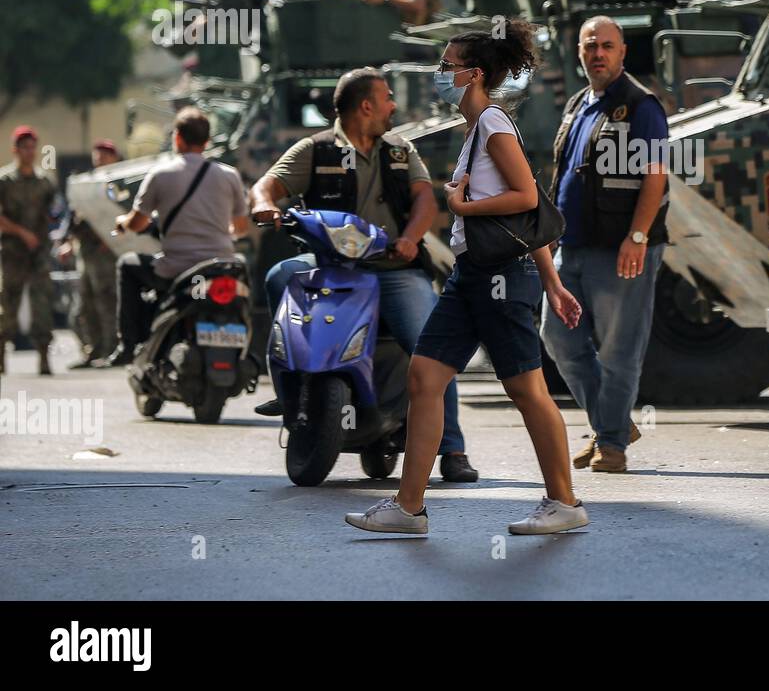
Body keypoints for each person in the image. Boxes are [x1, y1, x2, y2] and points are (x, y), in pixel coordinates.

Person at [345, 20, 587, 535]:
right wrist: (552, 281)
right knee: (424, 378)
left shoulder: (495, 125)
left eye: (447, 66)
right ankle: (409, 509)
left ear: (473, 74)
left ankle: (564, 502)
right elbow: (529, 218)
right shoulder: (479, 128)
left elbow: (524, 198)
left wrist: (459, 203)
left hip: (499, 277)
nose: (440, 74)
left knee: (527, 390)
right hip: (472, 275)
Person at [249, 68, 478, 483]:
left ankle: (453, 449)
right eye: (387, 98)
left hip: (393, 267)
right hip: (329, 265)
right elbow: (266, 186)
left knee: (432, 349)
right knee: (279, 276)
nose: (393, 106)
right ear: (366, 106)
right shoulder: (314, 150)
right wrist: (265, 205)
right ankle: (291, 386)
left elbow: (424, 200)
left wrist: (410, 238)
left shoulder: (399, 148)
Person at [540, 15, 670, 474]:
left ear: (622, 53)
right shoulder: (579, 104)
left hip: (622, 249)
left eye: (607, 46)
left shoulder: (640, 106)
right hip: (571, 246)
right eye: (590, 45)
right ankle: (610, 421)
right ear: (580, 52)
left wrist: (637, 237)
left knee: (618, 349)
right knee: (557, 338)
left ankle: (611, 444)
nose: (598, 53)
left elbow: (656, 176)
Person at [108, 109, 250, 365]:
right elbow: (240, 228)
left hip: (176, 269)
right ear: (207, 141)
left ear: (177, 139)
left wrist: (122, 222)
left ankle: (129, 343)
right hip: (220, 267)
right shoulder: (229, 176)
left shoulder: (161, 174)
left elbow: (138, 223)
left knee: (127, 265)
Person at [0, 126, 58, 376]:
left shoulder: (45, 181)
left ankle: (44, 357)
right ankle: (1, 355)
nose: (29, 152)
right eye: (24, 147)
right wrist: (22, 233)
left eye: (33, 146)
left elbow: (54, 213)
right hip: (13, 251)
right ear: (15, 150)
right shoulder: (4, 181)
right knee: (8, 302)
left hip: (39, 252)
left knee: (42, 303)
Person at [59, 139, 122, 367]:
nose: (100, 159)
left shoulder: (120, 183)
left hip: (107, 254)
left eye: (105, 155)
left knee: (107, 302)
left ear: (114, 157)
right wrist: (67, 241)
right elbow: (73, 214)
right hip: (86, 253)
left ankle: (111, 350)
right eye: (97, 155)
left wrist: (113, 238)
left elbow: (127, 215)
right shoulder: (86, 184)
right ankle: (93, 349)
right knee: (84, 306)